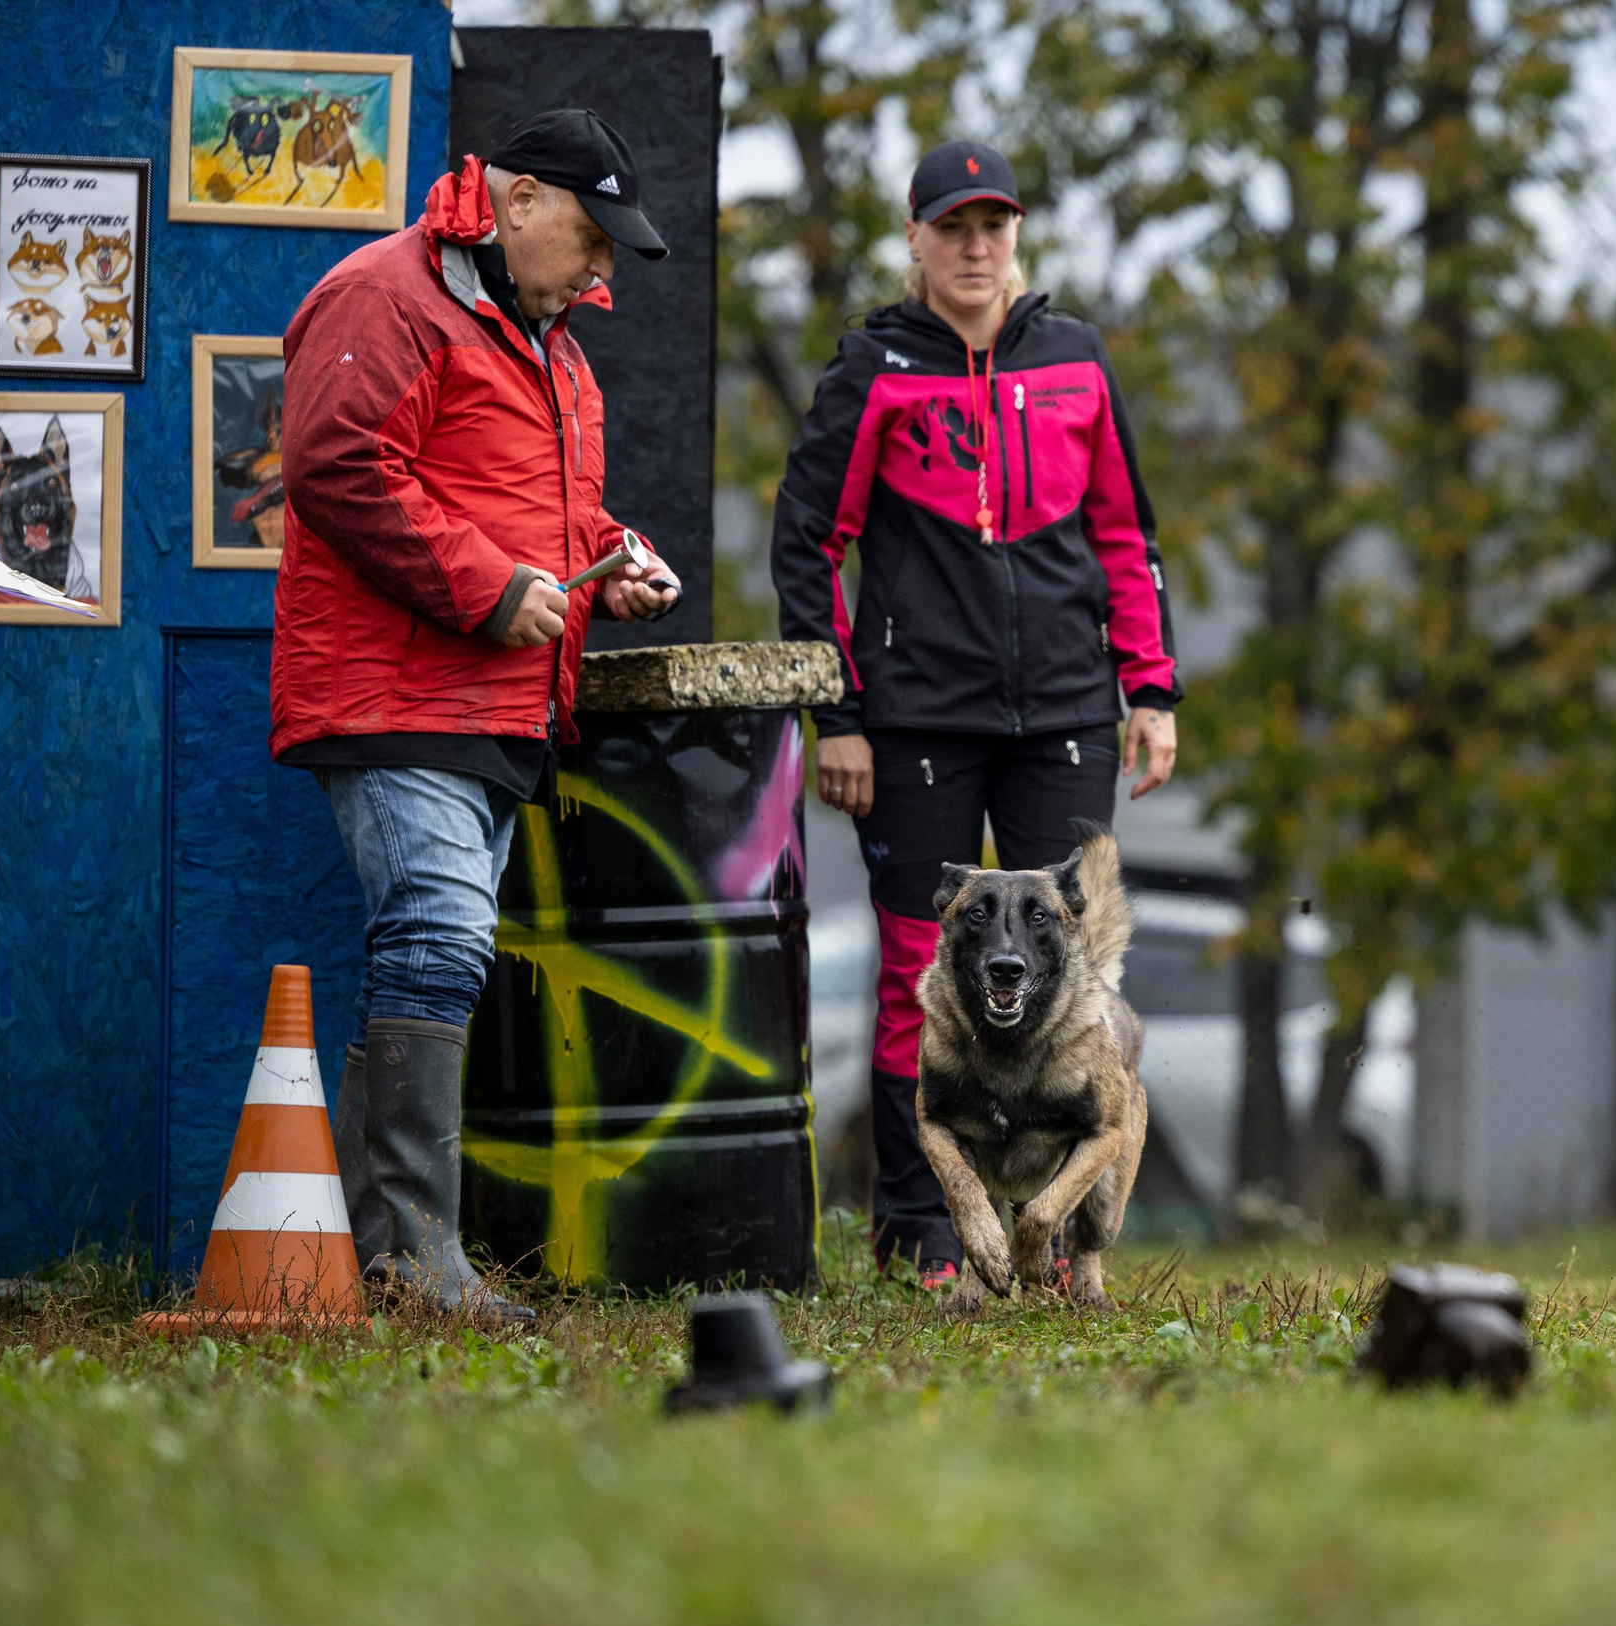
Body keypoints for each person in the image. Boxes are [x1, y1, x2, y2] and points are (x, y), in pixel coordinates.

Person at [270, 109, 682, 1319]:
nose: (606, 267)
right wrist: (490, 589)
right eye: (594, 237)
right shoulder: (384, 295)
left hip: (493, 707)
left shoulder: (550, 340)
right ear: (515, 202)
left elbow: (542, 513)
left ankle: (362, 1265)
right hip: (394, 693)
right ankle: (409, 1265)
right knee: (440, 942)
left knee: (429, 949)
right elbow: (336, 465)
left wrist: (618, 554)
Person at [771, 139, 1181, 1284]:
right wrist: (837, 713)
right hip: (913, 722)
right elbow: (807, 544)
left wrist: (1150, 690)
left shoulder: (1078, 360)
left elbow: (1124, 539)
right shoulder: (872, 369)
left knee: (1075, 973)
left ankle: (1063, 1235)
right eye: (952, 227)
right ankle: (922, 1234)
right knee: (924, 974)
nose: (974, 247)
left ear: (1016, 236)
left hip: (1063, 712)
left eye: (992, 225)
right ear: (914, 238)